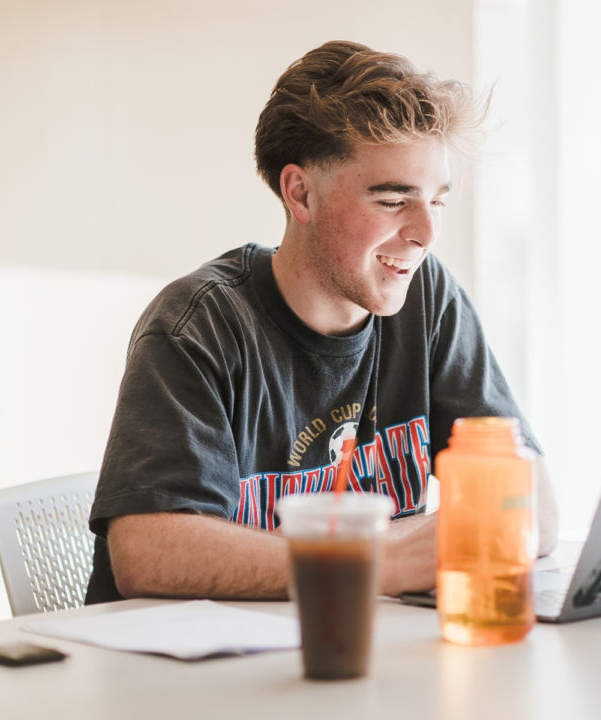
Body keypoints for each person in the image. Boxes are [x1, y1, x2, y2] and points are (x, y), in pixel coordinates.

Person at [85, 40, 557, 604]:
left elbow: (533, 507)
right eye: (392, 201)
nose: (426, 235)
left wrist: (372, 558)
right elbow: (148, 553)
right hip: (192, 679)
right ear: (300, 193)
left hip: (351, 655)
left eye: (438, 201)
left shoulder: (426, 301)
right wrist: (377, 561)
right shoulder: (198, 326)